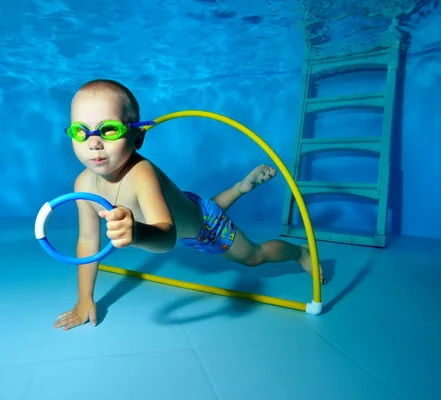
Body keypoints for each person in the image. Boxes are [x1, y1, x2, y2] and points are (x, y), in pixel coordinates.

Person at [54, 79, 325, 331]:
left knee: (252, 256)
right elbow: (88, 240)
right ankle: (241, 188)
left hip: (205, 227)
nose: (94, 143)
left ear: (137, 138)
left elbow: (167, 237)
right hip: (187, 213)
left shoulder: (141, 173)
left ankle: (300, 254)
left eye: (108, 129)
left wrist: (137, 233)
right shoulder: (83, 184)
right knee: (194, 212)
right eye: (80, 132)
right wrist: (84, 299)